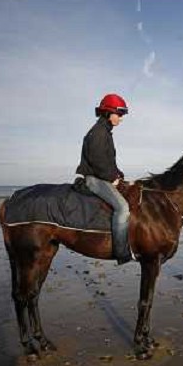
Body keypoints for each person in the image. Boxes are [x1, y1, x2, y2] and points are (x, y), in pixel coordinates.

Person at [76, 93, 132, 265]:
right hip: (94, 179)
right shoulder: (98, 133)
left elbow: (109, 162)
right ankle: (121, 251)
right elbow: (98, 161)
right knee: (122, 208)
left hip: (102, 176)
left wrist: (119, 176)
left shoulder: (105, 132)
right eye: (119, 114)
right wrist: (111, 178)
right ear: (109, 113)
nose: (121, 118)